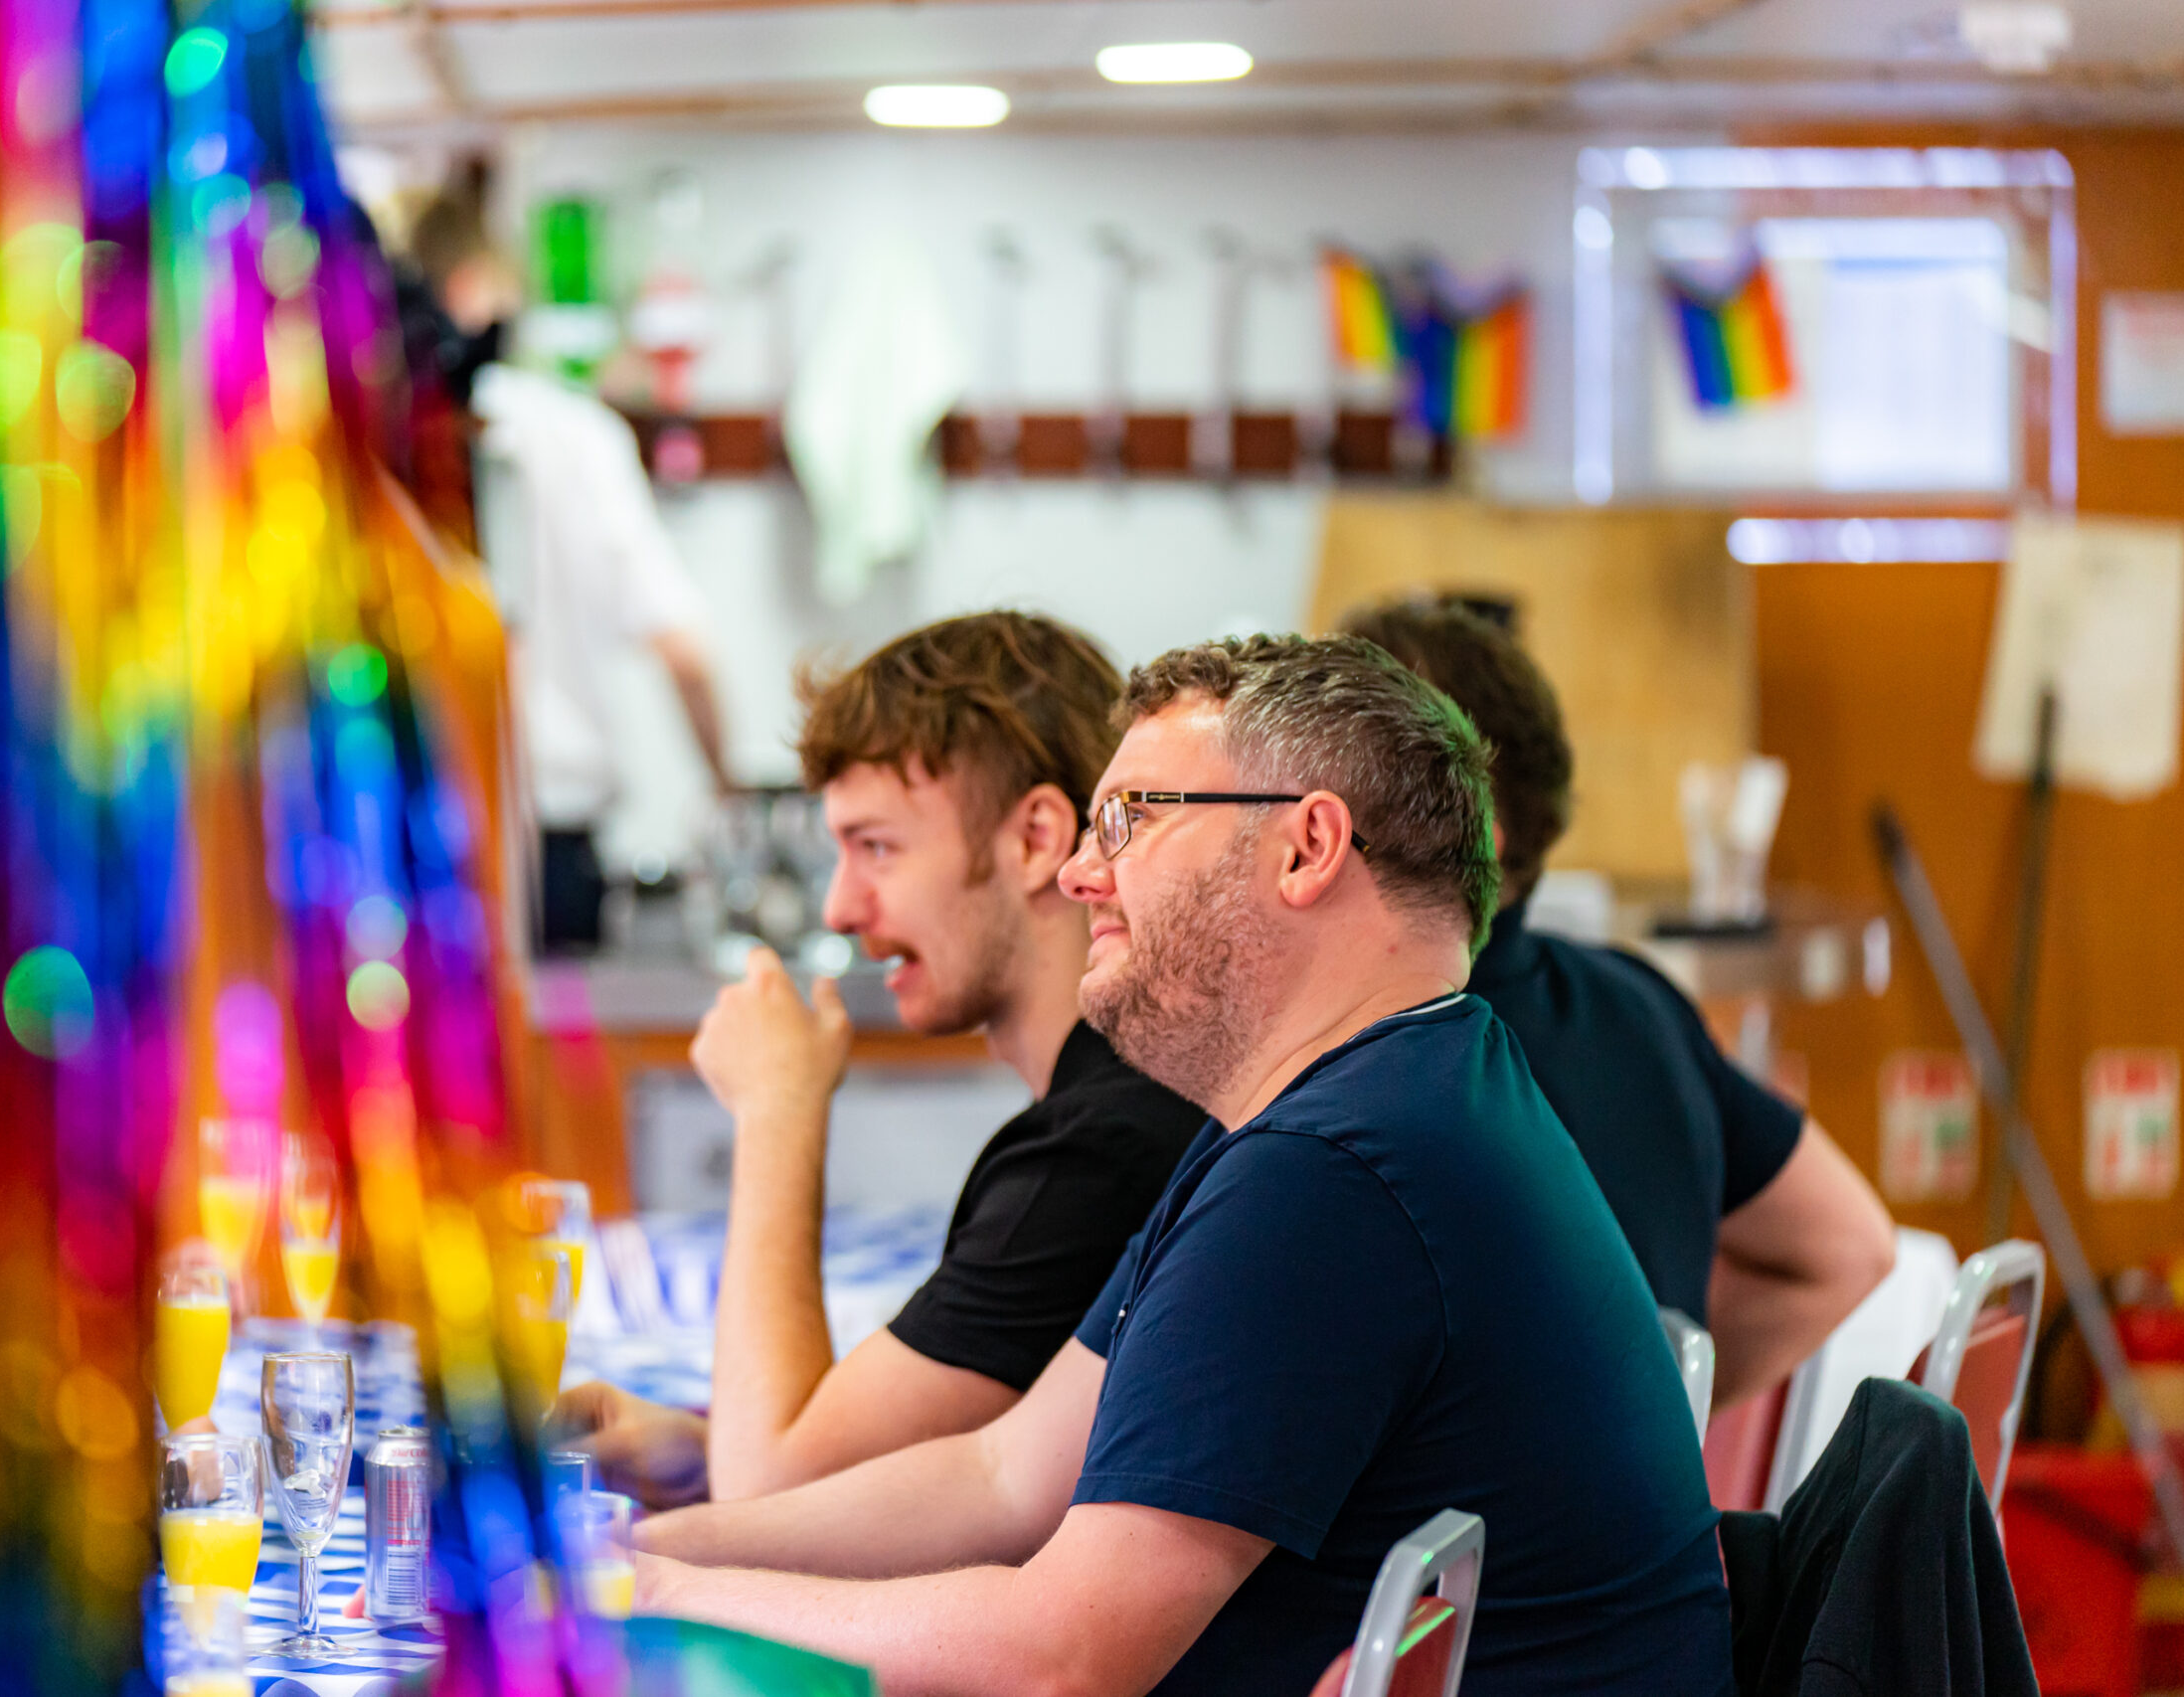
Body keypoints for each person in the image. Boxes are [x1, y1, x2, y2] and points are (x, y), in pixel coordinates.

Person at [629, 634, 1734, 1697]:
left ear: (1305, 847)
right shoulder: (1386, 1093)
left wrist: (653, 1595)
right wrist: (646, 1551)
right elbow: (1004, 1476)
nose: (1078, 874)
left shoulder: (1336, 1174)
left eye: (1128, 820)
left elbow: (1058, 1658)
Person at [554, 612, 1208, 1505]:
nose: (839, 908)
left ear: (1035, 839)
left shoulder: (1100, 1147)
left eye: (877, 847)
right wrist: (700, 1446)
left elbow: (775, 1491)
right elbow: (911, 1476)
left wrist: (776, 1107)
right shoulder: (1125, 1103)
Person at [1343, 598, 1895, 1406]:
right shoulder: (1638, 1002)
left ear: (1469, 829)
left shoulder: (1388, 1063)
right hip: (1640, 1531)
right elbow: (1851, 1245)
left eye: (1331, 779)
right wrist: (1661, 1420)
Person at [471, 334, 730, 951]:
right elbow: (683, 650)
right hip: (555, 841)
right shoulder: (578, 435)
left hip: (419, 845)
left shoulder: (369, 428)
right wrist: (728, 788)